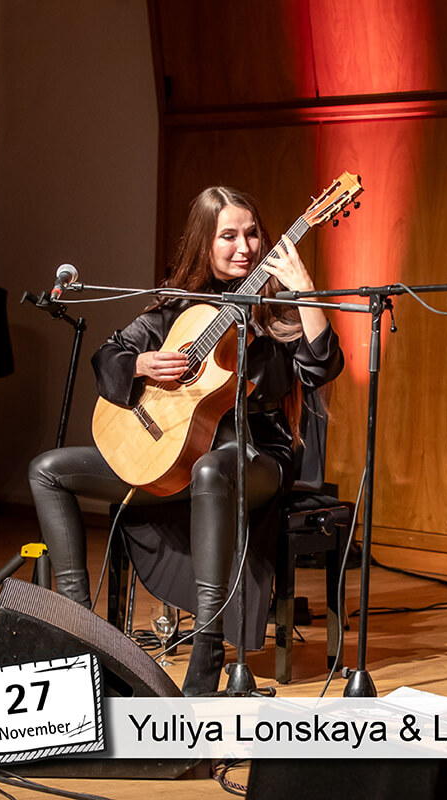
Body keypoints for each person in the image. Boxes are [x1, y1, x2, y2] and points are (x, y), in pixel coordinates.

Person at [29, 186, 344, 695]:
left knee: (209, 470)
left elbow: (322, 366)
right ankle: (81, 633)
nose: (244, 247)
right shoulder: (178, 306)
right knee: (48, 470)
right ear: (204, 242)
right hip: (175, 453)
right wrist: (140, 363)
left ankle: (208, 645)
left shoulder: (278, 306)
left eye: (251, 234)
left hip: (254, 455)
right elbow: (108, 356)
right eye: (228, 236)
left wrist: (304, 288)